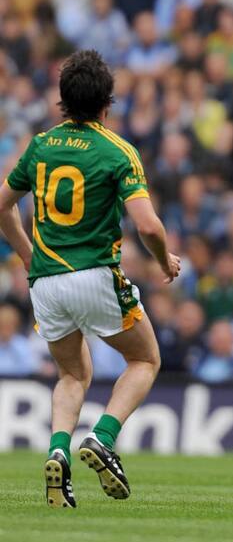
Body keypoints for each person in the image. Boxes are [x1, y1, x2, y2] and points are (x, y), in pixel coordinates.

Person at [0, 49, 180, 509]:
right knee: (145, 361)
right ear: (108, 102)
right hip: (96, 275)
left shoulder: (41, 144)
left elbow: (2, 204)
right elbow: (148, 226)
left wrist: (27, 255)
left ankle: (58, 447)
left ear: (63, 99)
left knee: (72, 373)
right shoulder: (118, 151)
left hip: (45, 283)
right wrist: (163, 262)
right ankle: (102, 437)